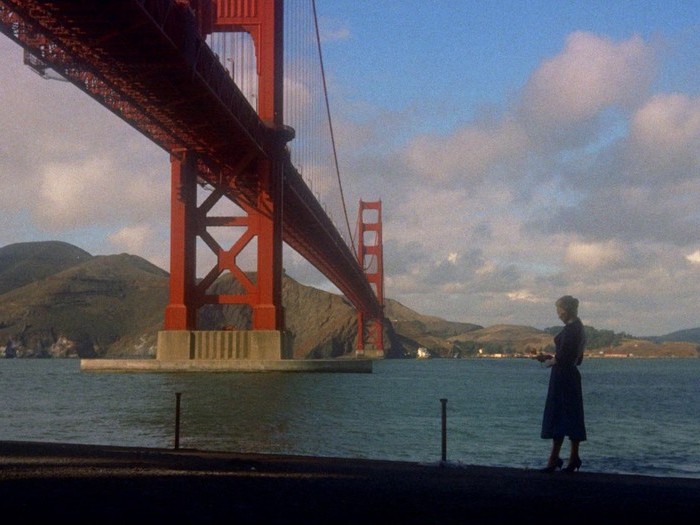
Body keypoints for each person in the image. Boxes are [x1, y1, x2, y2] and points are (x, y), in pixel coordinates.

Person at [535, 295, 587, 473]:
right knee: (571, 415)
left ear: (566, 310)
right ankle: (571, 457)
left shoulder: (572, 330)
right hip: (570, 375)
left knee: (558, 414)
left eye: (559, 311)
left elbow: (563, 358)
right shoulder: (578, 329)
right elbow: (575, 359)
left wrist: (547, 361)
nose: (558, 315)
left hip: (563, 377)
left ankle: (556, 458)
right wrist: (552, 358)